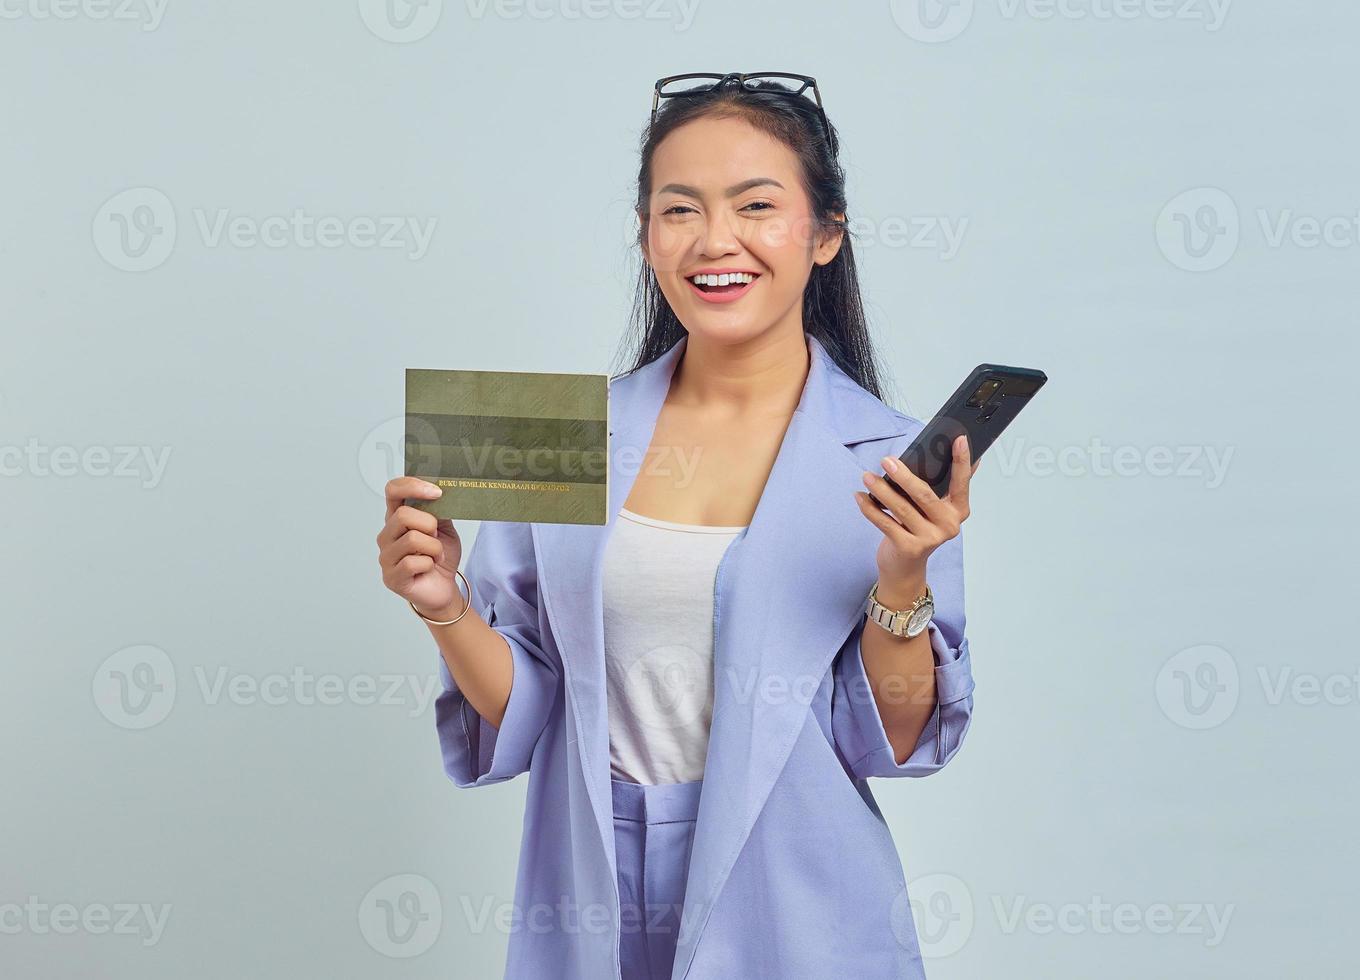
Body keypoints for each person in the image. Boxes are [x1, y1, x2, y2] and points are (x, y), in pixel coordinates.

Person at [377, 72, 979, 980]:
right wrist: (441, 605)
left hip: (795, 902)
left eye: (756, 205)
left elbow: (890, 741)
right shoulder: (564, 436)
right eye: (680, 209)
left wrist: (903, 581)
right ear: (647, 235)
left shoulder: (891, 458)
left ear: (825, 235)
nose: (715, 241)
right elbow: (529, 704)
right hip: (590, 884)